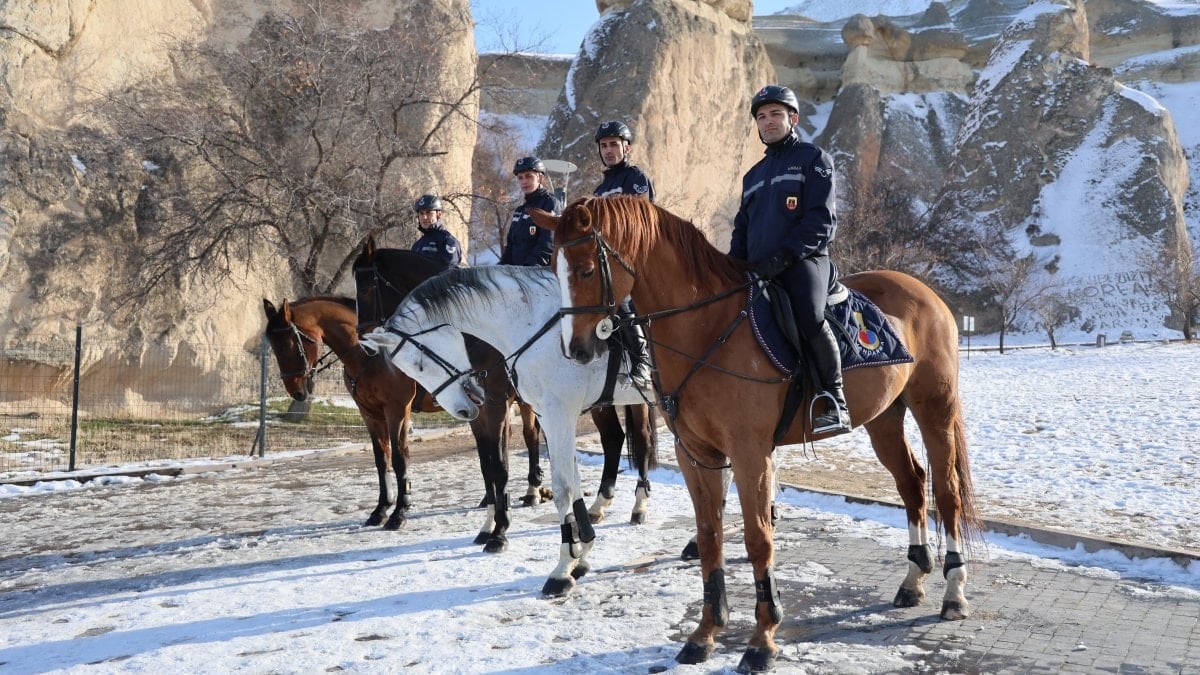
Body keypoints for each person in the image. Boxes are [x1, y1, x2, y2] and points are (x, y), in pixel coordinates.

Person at [730, 85, 849, 435]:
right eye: (762, 117)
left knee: (809, 316)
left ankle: (834, 397)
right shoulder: (752, 176)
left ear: (793, 118)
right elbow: (741, 230)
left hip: (804, 261)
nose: (768, 122)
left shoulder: (814, 159)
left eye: (776, 114)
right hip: (758, 269)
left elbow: (821, 221)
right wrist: (730, 267)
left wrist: (783, 256)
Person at [592, 120, 654, 389]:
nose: (608, 150)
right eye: (604, 146)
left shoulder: (636, 179)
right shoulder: (598, 191)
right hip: (605, 262)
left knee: (622, 297)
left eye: (613, 145)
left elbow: (640, 222)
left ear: (626, 148)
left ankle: (642, 362)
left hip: (633, 258)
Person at [500, 156, 559, 267]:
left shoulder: (550, 203)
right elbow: (510, 246)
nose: (524, 181)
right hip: (517, 275)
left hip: (539, 276)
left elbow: (548, 245)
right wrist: (502, 267)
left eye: (528, 176)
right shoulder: (519, 211)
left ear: (540, 178)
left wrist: (528, 268)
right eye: (520, 178)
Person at [411, 194, 462, 268]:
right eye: (421, 213)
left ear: (439, 214)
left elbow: (450, 274)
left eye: (429, 213)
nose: (424, 217)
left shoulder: (447, 241)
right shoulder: (417, 245)